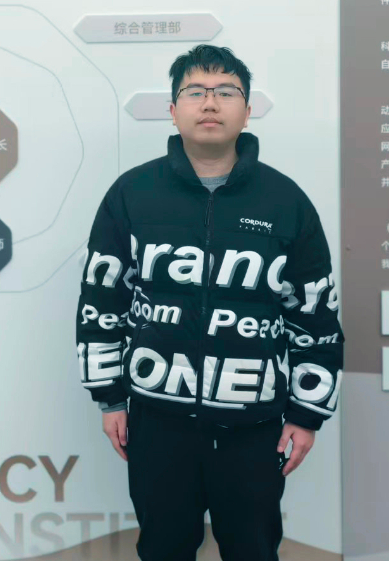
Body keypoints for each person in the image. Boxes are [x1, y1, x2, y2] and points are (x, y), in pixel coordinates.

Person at [75, 44, 345, 561]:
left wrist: (308, 413)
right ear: (173, 109)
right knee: (163, 548)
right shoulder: (132, 194)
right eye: (195, 91)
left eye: (226, 91)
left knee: (253, 550)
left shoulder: (285, 201)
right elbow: (101, 301)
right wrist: (110, 398)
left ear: (247, 109)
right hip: (157, 421)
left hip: (254, 429)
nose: (210, 102)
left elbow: (314, 314)